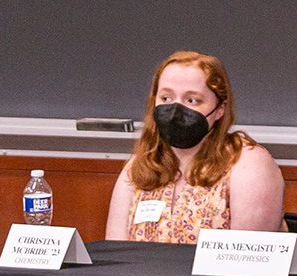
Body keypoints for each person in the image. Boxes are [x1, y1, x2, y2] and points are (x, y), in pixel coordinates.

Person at [105, 51, 284, 242]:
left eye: (192, 100)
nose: (175, 110)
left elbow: (247, 260)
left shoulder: (247, 163)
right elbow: (116, 251)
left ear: (219, 110)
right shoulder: (139, 166)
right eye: (166, 98)